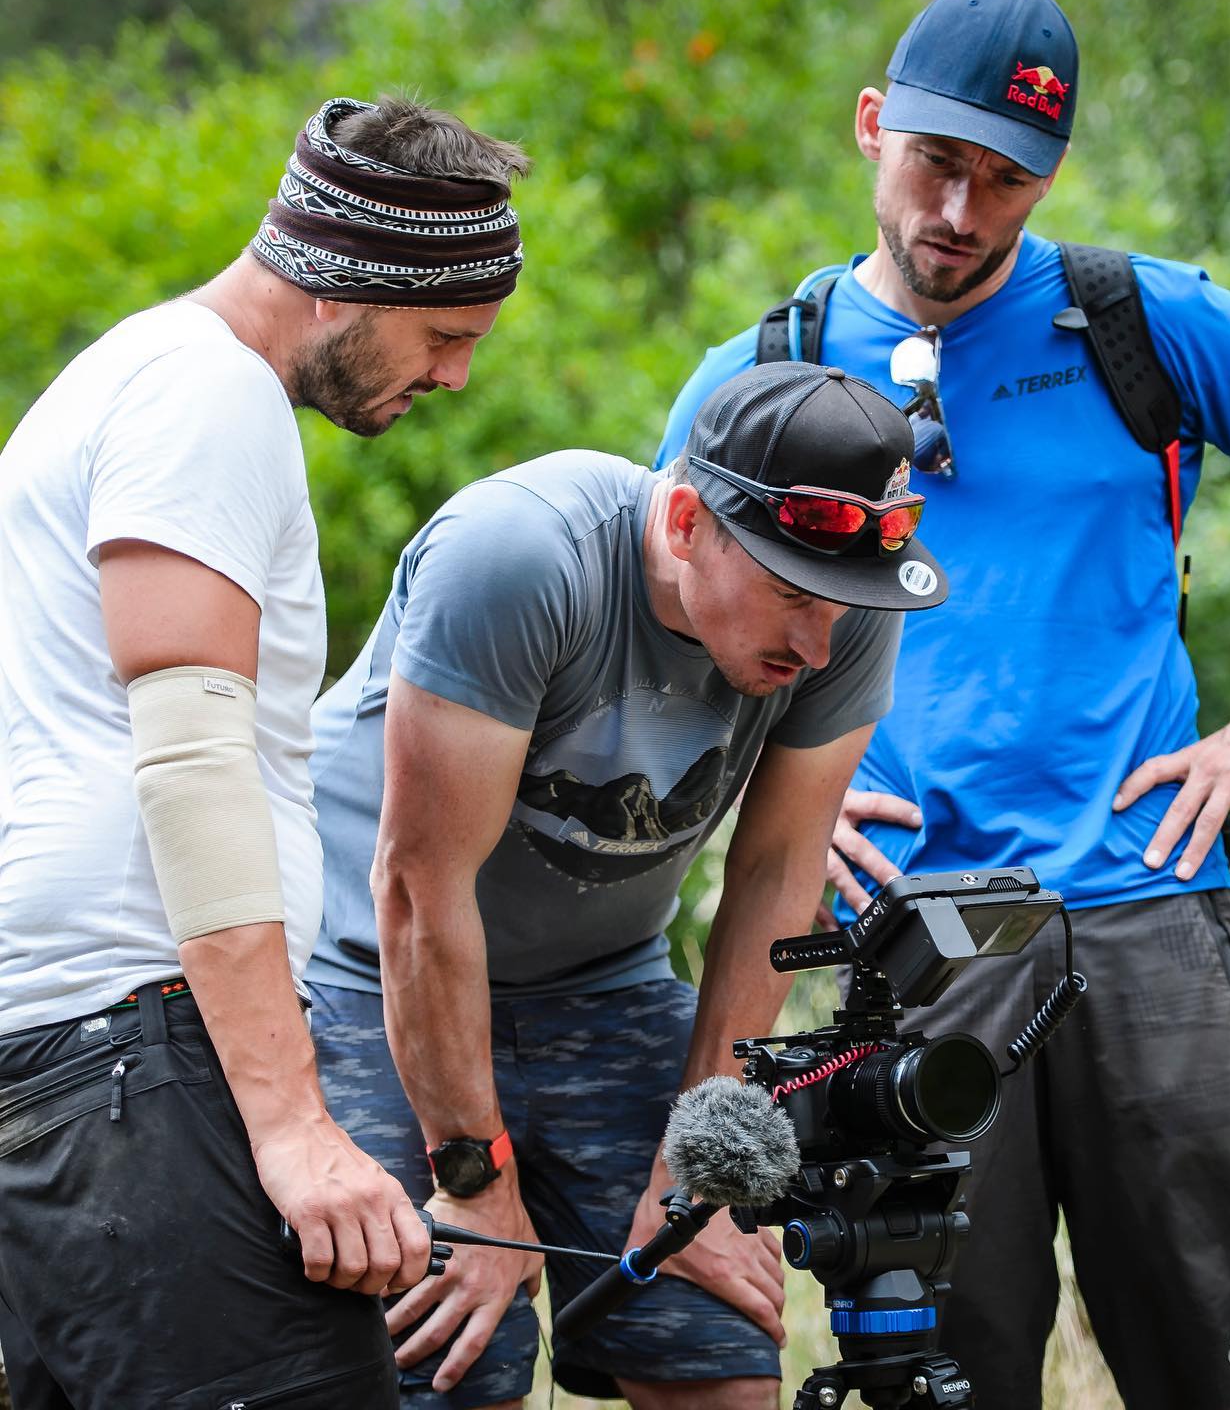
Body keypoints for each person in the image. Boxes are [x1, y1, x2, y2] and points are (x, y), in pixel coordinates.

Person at [654, 0, 1230, 1410]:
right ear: (871, 125)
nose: (961, 208)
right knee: (941, 1380)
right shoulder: (761, 376)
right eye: (935, 163)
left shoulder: (1140, 321)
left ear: (1050, 177)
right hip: (906, 945)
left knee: (1210, 1376)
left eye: (1004, 180)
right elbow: (665, 618)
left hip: (1147, 907)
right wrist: (743, 818)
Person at [0, 95, 527, 1409]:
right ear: (350, 285)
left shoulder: (118, 381)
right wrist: (293, 1126)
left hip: (71, 1064)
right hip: (139, 1055)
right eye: (445, 333)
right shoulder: (205, 394)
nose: (455, 373)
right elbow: (189, 755)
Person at [302, 359, 946, 1409]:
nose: (818, 641)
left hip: (608, 985)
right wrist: (480, 1184)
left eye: (841, 603)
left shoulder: (846, 601)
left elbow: (778, 872)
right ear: (687, 522)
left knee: (722, 1360)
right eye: (790, 592)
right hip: (372, 977)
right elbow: (419, 895)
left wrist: (699, 1155)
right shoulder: (519, 557)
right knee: (455, 1363)